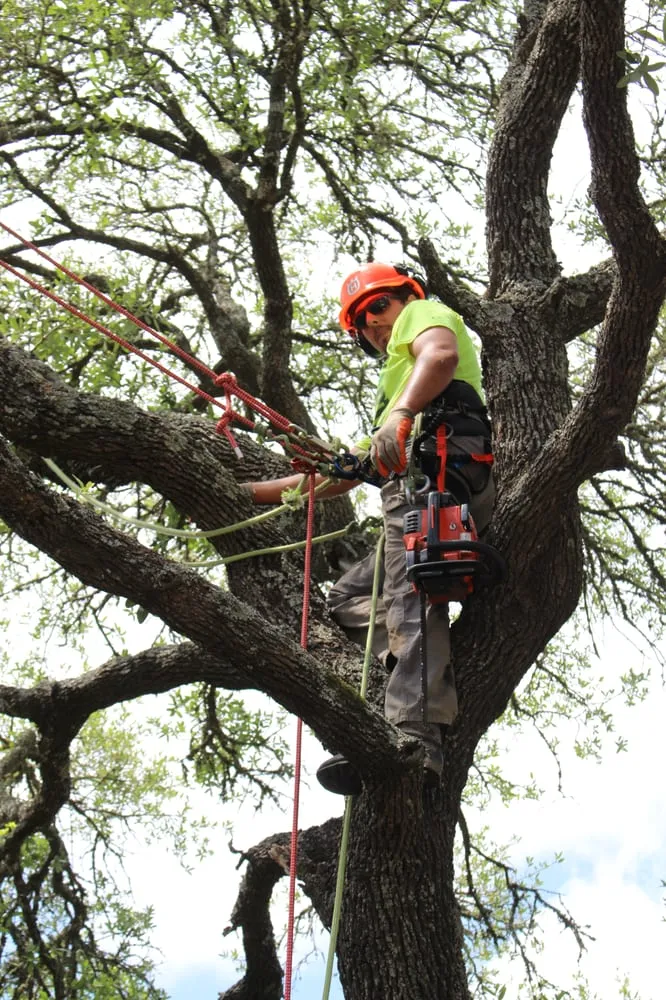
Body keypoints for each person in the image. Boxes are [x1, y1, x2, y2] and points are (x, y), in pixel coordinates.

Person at [243, 262, 495, 794]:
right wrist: (253, 494)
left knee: (407, 598)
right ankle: (409, 666)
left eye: (379, 307)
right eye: (361, 323)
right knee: (348, 597)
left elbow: (442, 355)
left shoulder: (424, 321)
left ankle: (413, 738)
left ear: (405, 298)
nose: (374, 324)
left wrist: (401, 412)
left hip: (432, 486)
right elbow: (342, 473)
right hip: (417, 490)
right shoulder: (397, 394)